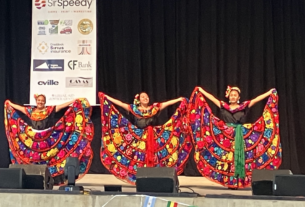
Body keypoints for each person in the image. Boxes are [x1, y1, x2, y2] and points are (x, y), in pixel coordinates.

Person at [188, 86, 282, 188]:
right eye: (231, 95)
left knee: (240, 157)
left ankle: (239, 181)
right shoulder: (223, 106)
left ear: (238, 97)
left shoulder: (244, 106)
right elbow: (211, 98)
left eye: (235, 95)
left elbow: (256, 100)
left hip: (240, 134)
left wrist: (269, 92)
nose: (233, 97)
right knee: (228, 158)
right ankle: (230, 181)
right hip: (226, 135)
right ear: (229, 97)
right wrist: (201, 90)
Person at [98, 92, 193, 184]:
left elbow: (166, 103)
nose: (145, 98)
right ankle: (143, 179)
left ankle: (156, 178)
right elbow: (121, 104)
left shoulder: (154, 108)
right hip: (140, 137)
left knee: (156, 157)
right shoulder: (135, 109)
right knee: (141, 158)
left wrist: (179, 99)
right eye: (143, 97)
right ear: (139, 100)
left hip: (154, 137)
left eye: (146, 97)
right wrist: (106, 97)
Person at [4, 94, 94, 183]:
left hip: (48, 139)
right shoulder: (31, 110)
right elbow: (20, 108)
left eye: (42, 100)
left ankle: (51, 178)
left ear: (45, 102)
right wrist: (10, 104)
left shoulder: (49, 110)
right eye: (39, 100)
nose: (40, 102)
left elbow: (61, 106)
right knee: (34, 158)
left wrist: (73, 101)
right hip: (33, 139)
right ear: (36, 101)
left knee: (50, 159)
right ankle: (35, 177)